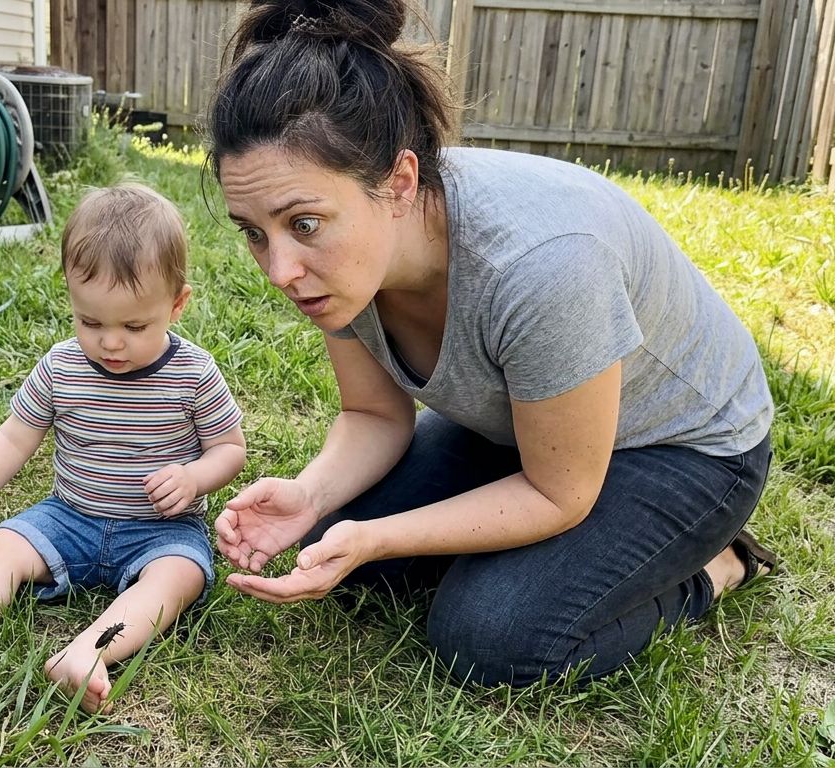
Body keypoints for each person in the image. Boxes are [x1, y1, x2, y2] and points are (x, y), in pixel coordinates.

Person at [206, 0, 778, 686]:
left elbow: (558, 492)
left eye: (303, 224)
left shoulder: (544, 266)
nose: (280, 271)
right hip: (521, 426)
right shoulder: (341, 262)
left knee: (490, 635)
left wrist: (380, 534)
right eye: (252, 231)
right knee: (347, 557)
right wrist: (311, 494)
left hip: (688, 449)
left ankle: (714, 566)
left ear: (400, 182)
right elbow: (371, 415)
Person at [0, 183, 247, 712]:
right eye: (91, 322)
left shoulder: (192, 374)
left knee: (180, 578)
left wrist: (196, 478)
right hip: (69, 516)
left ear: (177, 306)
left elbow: (230, 448)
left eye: (134, 325)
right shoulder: (61, 366)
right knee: (2, 552)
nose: (110, 342)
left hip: (161, 529)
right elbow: (14, 437)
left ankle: (90, 651)